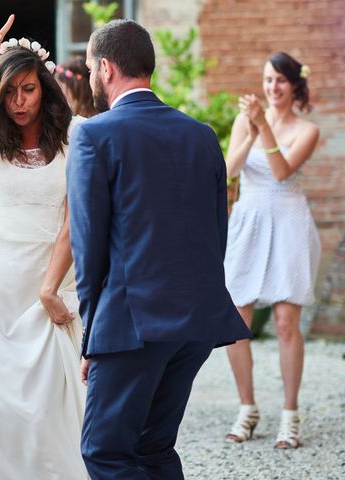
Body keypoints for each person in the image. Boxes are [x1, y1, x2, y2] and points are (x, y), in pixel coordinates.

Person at [66, 20, 251, 479]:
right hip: (196, 322)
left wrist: (93, 335)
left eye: (91, 67)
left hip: (131, 325)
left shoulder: (94, 135)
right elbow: (216, 231)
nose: (90, 76)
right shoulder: (202, 135)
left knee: (105, 453)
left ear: (106, 69)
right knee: (153, 449)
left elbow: (87, 248)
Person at [0, 15, 88, 479]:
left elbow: (74, 220)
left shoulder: (73, 145)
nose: (18, 101)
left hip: (48, 288)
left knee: (49, 412)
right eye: (9, 92)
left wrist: (52, 288)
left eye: (28, 89)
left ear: (44, 90)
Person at [223, 52, 320, 449]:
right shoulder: (246, 120)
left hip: (289, 222)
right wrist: (251, 128)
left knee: (284, 322)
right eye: (267, 80)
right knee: (234, 322)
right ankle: (247, 407)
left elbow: (282, 173)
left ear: (295, 85)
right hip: (249, 221)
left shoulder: (307, 129)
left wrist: (263, 125)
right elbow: (229, 169)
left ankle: (290, 415)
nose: (271, 88)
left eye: (280, 81)